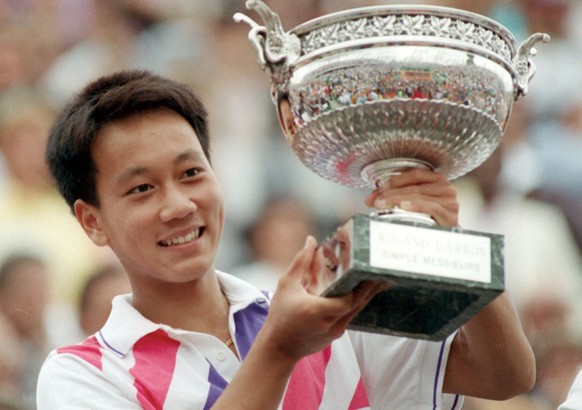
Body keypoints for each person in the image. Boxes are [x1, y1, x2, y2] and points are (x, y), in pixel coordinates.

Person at [37, 69, 535, 409]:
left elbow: (504, 375)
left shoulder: (323, 315)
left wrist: (449, 238)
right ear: (92, 221)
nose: (179, 205)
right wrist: (280, 349)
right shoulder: (83, 375)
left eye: (191, 173)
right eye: (142, 188)